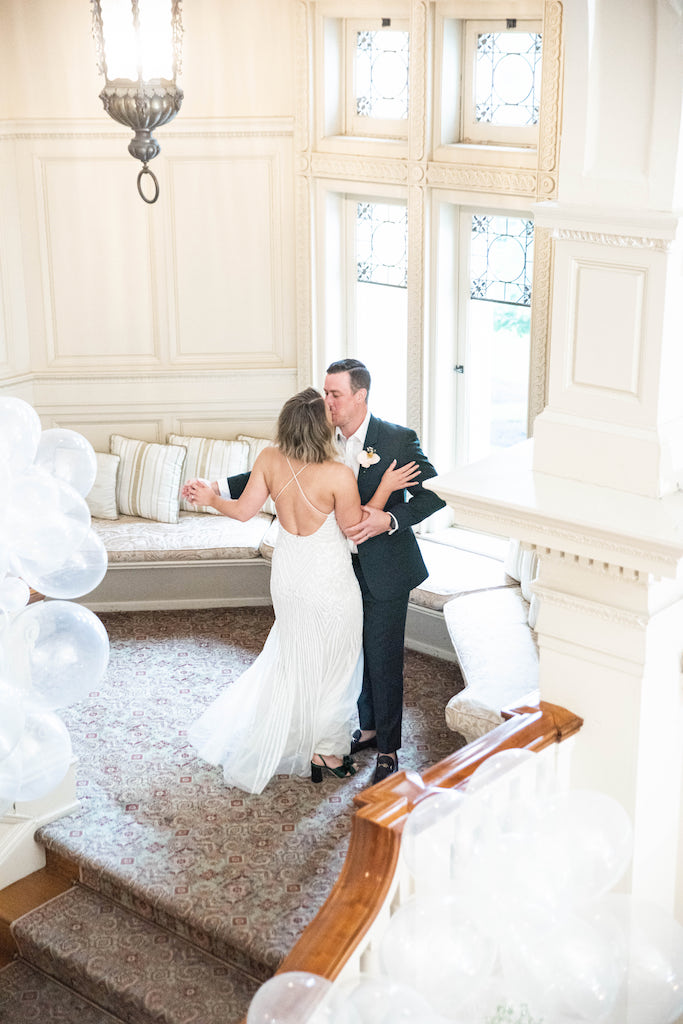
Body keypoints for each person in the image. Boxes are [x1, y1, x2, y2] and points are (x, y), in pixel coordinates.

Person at [182, 387, 419, 795]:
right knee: (338, 662)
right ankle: (326, 752)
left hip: (288, 577)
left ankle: (303, 740)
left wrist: (210, 498)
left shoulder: (269, 459)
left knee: (296, 656)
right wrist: (384, 489)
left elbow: (242, 512)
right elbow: (355, 531)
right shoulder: (337, 474)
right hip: (327, 581)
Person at [225, 361, 447, 785]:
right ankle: (363, 728)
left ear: (360, 396)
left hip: (384, 567)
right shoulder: (318, 435)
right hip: (332, 569)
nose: (327, 401)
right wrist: (218, 485)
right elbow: (270, 472)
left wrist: (391, 519)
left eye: (335, 394)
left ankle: (388, 750)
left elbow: (434, 493)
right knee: (346, 656)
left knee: (381, 659)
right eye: (325, 393)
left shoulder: (397, 439)